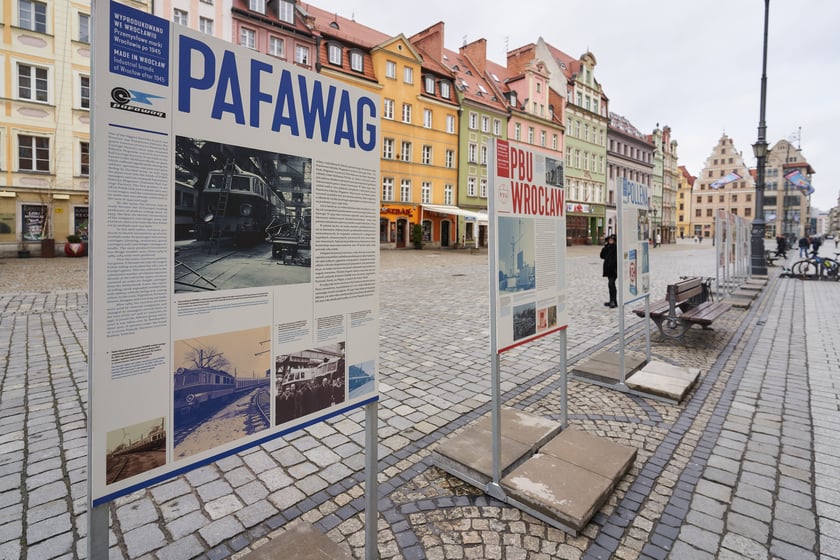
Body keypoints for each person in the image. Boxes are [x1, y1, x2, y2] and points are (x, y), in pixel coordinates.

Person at [600, 234, 617, 308]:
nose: (610, 241)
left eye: (612, 240)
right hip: (608, 269)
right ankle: (613, 301)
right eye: (609, 240)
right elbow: (602, 256)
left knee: (611, 284)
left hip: (614, 269)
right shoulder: (607, 247)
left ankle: (613, 301)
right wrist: (605, 246)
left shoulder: (616, 247)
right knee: (610, 285)